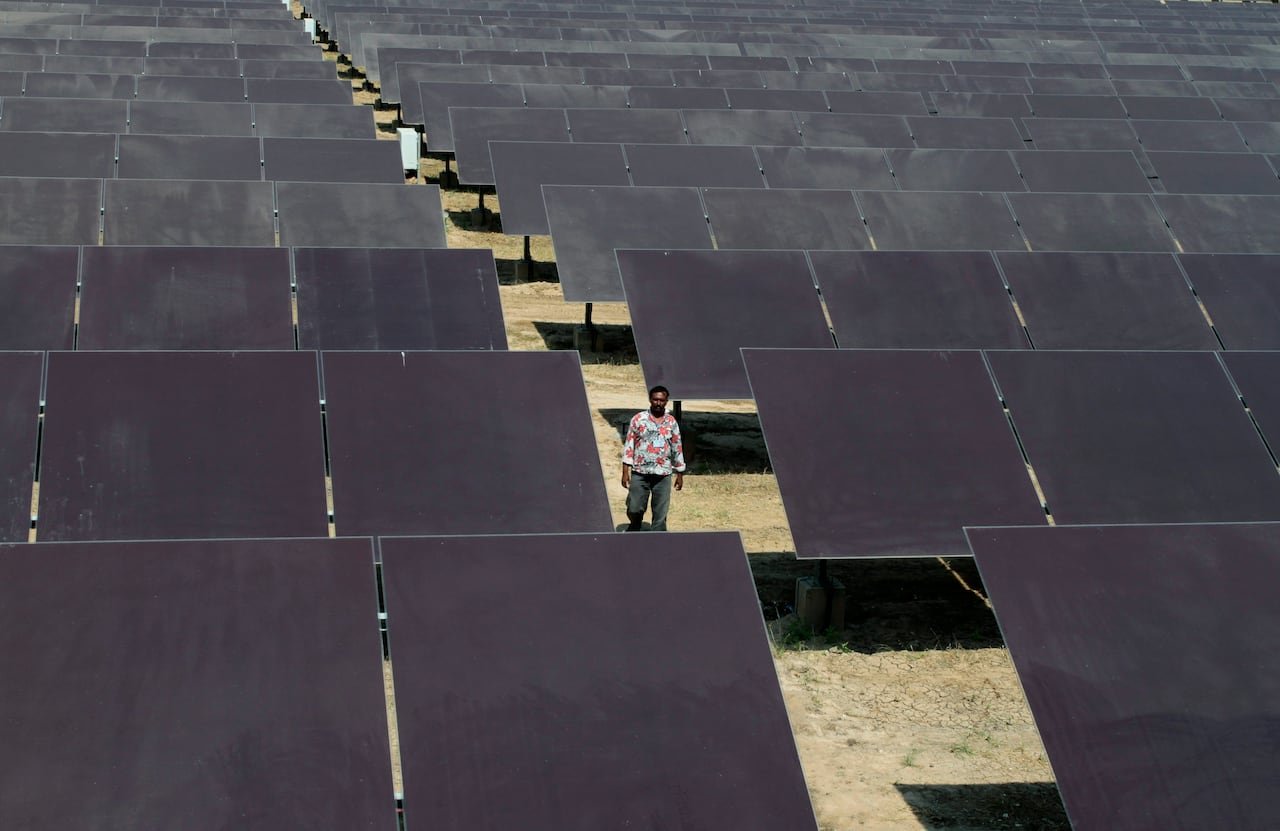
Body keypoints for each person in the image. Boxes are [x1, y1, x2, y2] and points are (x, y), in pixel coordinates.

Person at [621, 385, 686, 531]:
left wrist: (680, 473)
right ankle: (635, 525)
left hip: (663, 474)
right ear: (650, 400)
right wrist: (625, 471)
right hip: (640, 472)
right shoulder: (639, 419)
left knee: (660, 515)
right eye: (655, 399)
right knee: (634, 508)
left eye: (661, 400)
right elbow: (629, 445)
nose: (658, 403)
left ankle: (657, 542)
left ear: (666, 401)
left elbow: (677, 447)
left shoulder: (671, 422)